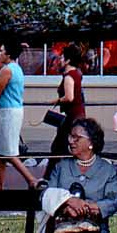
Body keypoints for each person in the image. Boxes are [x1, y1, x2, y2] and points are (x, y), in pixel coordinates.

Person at [0, 41, 38, 190]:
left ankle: (32, 180)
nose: (0, 54)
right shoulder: (16, 68)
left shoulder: (7, 70)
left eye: (2, 51)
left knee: (9, 152)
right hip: (9, 111)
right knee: (0, 151)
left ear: (8, 54)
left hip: (9, 113)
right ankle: (0, 186)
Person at [45, 44, 87, 181]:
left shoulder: (69, 76)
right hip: (78, 115)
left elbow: (69, 97)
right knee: (70, 148)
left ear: (68, 60)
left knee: (58, 148)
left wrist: (56, 100)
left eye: (62, 57)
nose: (60, 60)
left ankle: (49, 178)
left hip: (72, 117)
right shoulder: (78, 73)